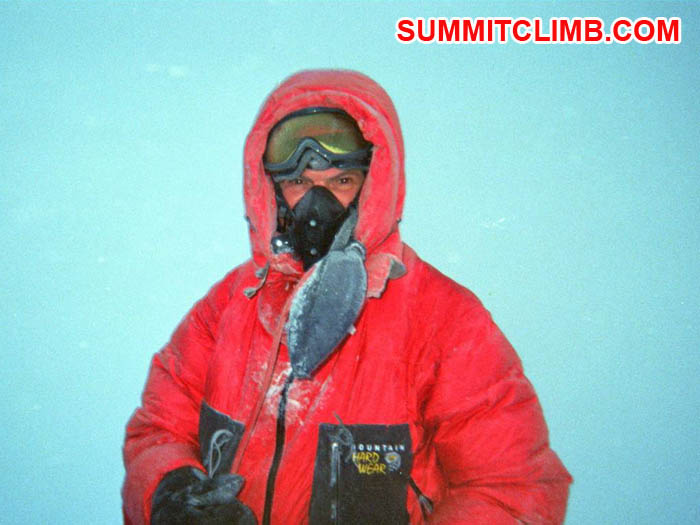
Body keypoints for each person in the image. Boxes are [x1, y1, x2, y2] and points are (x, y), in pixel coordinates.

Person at [122, 70, 572, 525]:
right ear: (273, 191)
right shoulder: (230, 306)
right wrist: (170, 492)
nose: (316, 205)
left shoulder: (444, 320)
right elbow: (158, 430)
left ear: (372, 187)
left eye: (341, 181)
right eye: (299, 182)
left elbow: (513, 491)